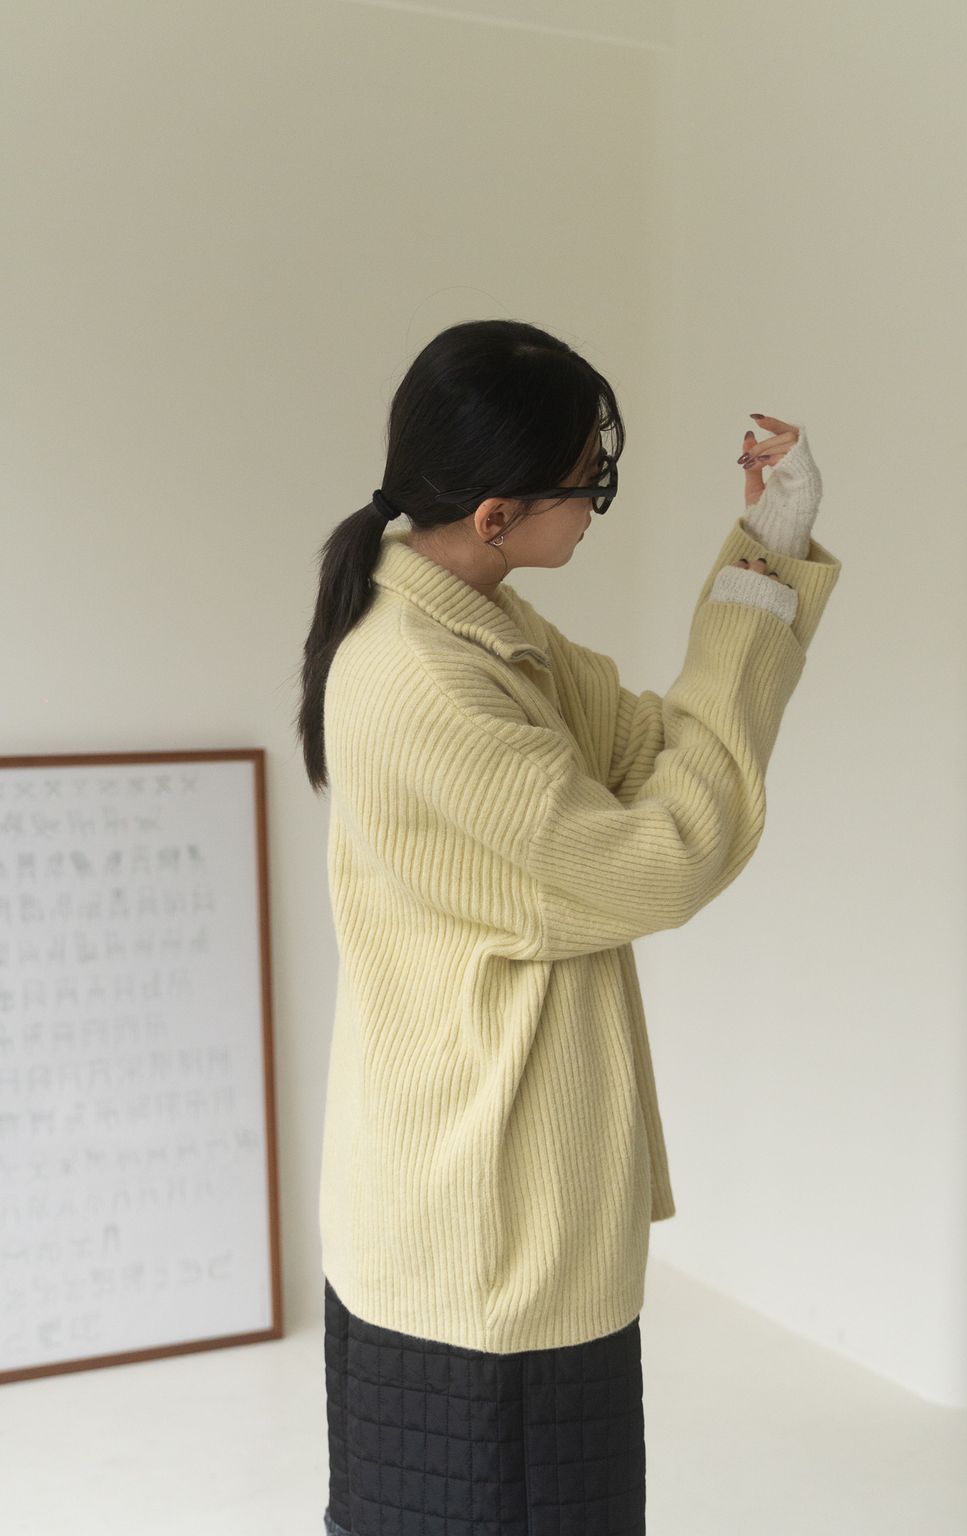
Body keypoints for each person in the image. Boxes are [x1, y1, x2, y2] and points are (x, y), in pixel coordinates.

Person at [295, 318, 842, 1536]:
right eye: (588, 481)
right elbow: (662, 856)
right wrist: (757, 591)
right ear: (498, 515)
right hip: (488, 1224)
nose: (597, 503)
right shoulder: (426, 681)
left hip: (482, 1196)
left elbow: (644, 742)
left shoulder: (473, 622)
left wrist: (768, 548)